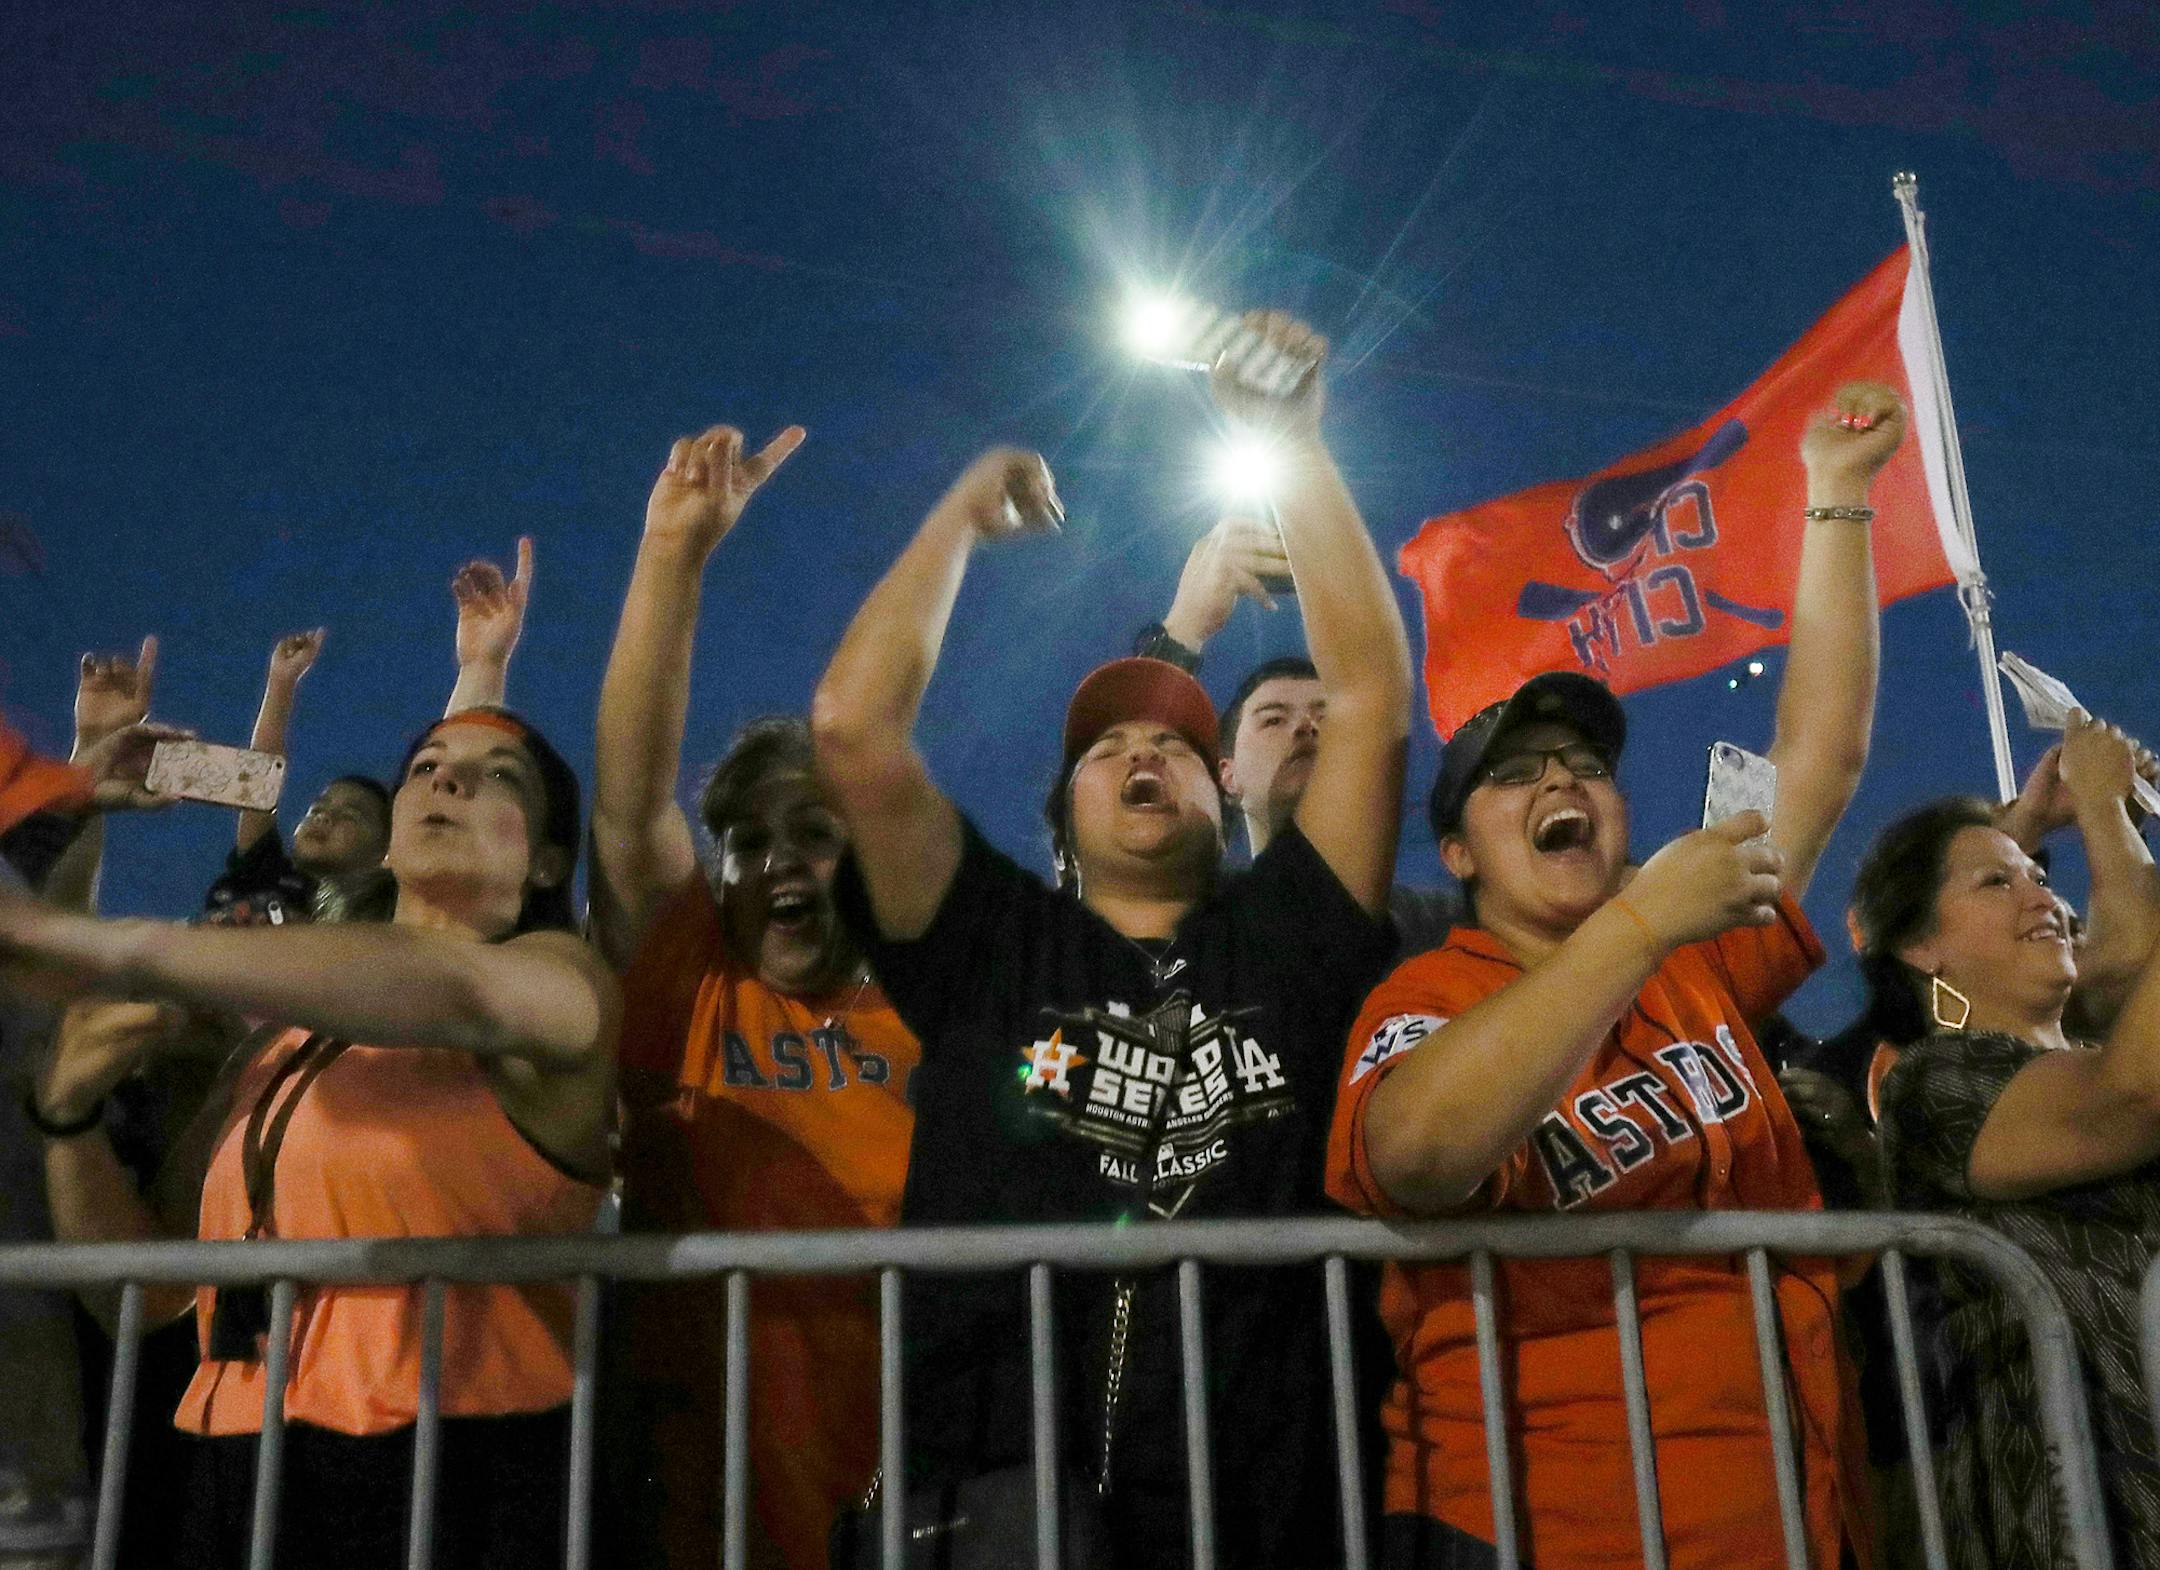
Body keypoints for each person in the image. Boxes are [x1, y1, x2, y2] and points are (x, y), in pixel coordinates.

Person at [813, 310, 1411, 1568]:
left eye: (1180, 748)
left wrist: (1296, 446)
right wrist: (955, 525)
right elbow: (855, 732)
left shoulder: (1291, 935)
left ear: (1224, 799)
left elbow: (1367, 699)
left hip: (1270, 1500)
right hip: (993, 1501)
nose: (1143, 751)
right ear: (1065, 817)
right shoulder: (991, 942)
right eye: (1105, 747)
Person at [1325, 381, 1908, 1570]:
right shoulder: (1431, 994)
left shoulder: (1693, 956)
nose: (1562, 785)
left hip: (1790, 1513)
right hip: (1546, 1530)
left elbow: (1820, 754)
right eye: (1517, 775)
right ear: (1455, 854)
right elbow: (1417, 1152)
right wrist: (1637, 925)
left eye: (1584, 763)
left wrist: (1838, 499)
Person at [16, 705, 616, 1570]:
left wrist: (123, 946)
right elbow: (139, 1297)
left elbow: (456, 989)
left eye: (500, 778)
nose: (447, 781)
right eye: (428, 766)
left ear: (549, 860)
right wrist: (69, 1117)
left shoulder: (561, 977)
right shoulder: (276, 1043)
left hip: (455, 1473)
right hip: (242, 1472)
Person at [590, 420, 922, 1570]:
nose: (780, 859)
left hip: (896, 1495)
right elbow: (630, 810)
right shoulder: (691, 984)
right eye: (747, 838)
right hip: (695, 1504)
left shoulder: (929, 1018)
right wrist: (672, 558)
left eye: (815, 834)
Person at [1867, 714, 2160, 1568]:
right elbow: (2129, 1100)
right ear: (1922, 948)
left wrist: (2094, 820)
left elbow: (2131, 960)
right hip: (2075, 1517)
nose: (2048, 899)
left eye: (2042, 877)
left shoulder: (2097, 1045)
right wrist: (2104, 812)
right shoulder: (1934, 1085)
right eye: (1999, 885)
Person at [1138, 522, 1463, 955]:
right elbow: (1112, 795)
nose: (1305, 728)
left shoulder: (1451, 934)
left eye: (1327, 719)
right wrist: (1184, 627)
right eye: (1273, 720)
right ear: (1226, 776)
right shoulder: (1182, 930)